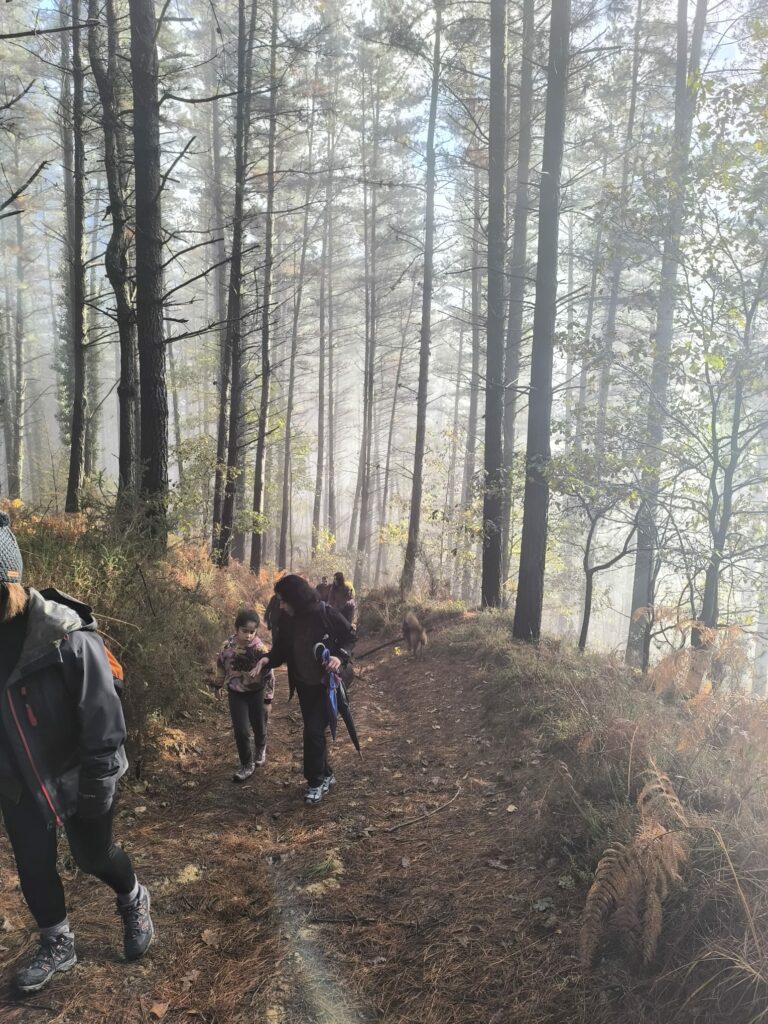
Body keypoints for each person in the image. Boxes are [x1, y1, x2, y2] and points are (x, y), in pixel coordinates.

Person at [0, 512, 153, 994]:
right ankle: (57, 942)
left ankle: (133, 897)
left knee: (93, 855)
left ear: (8, 581)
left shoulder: (63, 633)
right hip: (16, 780)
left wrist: (97, 785)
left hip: (77, 772)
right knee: (33, 864)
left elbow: (102, 719)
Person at [255, 575, 355, 806]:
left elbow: (350, 636)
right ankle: (326, 774)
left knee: (313, 730)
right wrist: (266, 660)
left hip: (328, 684)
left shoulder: (325, 613)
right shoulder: (287, 619)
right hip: (303, 683)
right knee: (314, 731)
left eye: (284, 600)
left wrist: (339, 657)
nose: (280, 605)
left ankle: (315, 782)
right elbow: (280, 650)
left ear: (297, 599)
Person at [213, 609, 275, 781]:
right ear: (236, 629)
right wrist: (218, 685)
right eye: (244, 631)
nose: (248, 635)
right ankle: (246, 764)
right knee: (241, 730)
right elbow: (221, 667)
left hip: (256, 693)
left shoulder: (260, 649)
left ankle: (261, 747)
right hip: (236, 693)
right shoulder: (226, 647)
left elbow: (269, 675)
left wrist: (268, 699)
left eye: (252, 632)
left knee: (258, 725)